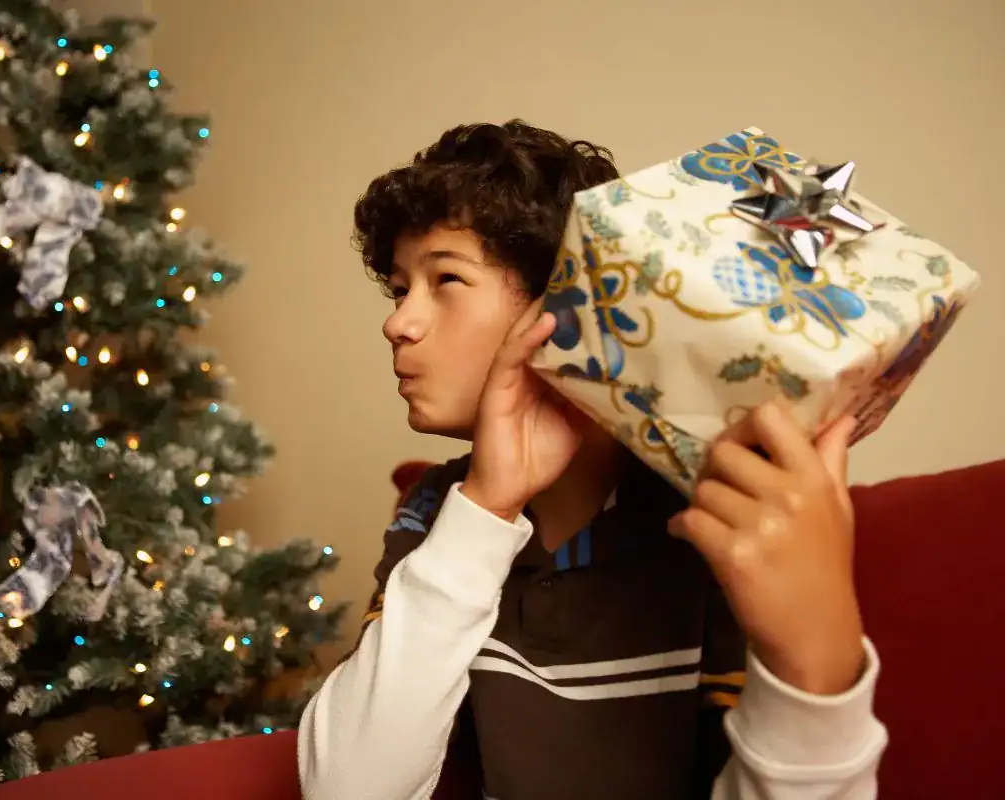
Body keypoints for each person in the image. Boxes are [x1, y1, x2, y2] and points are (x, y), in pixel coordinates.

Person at [297, 120, 887, 799]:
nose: (398, 322)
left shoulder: (712, 515)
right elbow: (345, 789)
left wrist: (817, 664)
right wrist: (484, 510)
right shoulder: (442, 510)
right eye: (402, 289)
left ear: (567, 301)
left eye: (445, 279)